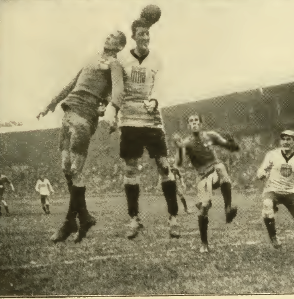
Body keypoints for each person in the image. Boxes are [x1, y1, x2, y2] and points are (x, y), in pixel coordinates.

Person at [37, 30, 127, 243]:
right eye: (109, 34)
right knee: (66, 167)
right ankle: (84, 216)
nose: (108, 36)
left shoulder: (114, 65)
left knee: (75, 170)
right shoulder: (91, 59)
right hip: (69, 111)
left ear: (120, 46)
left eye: (114, 36)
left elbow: (118, 90)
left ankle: (70, 221)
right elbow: (72, 83)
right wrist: (51, 103)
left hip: (85, 116)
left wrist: (113, 110)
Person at [103, 6, 181, 240]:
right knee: (130, 169)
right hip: (129, 120)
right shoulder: (122, 60)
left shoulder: (157, 60)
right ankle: (134, 219)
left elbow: (162, 87)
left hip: (152, 120)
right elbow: (115, 88)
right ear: (134, 36)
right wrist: (110, 109)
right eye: (141, 34)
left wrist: (155, 101)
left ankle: (173, 218)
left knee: (165, 167)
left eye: (148, 34)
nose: (145, 37)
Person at [174, 114, 240, 253]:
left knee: (221, 168)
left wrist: (232, 143)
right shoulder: (187, 143)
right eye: (191, 121)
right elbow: (178, 164)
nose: (194, 123)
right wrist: (180, 148)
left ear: (201, 123)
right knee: (204, 208)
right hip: (203, 178)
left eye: (196, 120)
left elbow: (229, 146)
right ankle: (204, 243)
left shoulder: (211, 136)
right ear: (188, 125)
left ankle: (228, 209)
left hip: (216, 172)